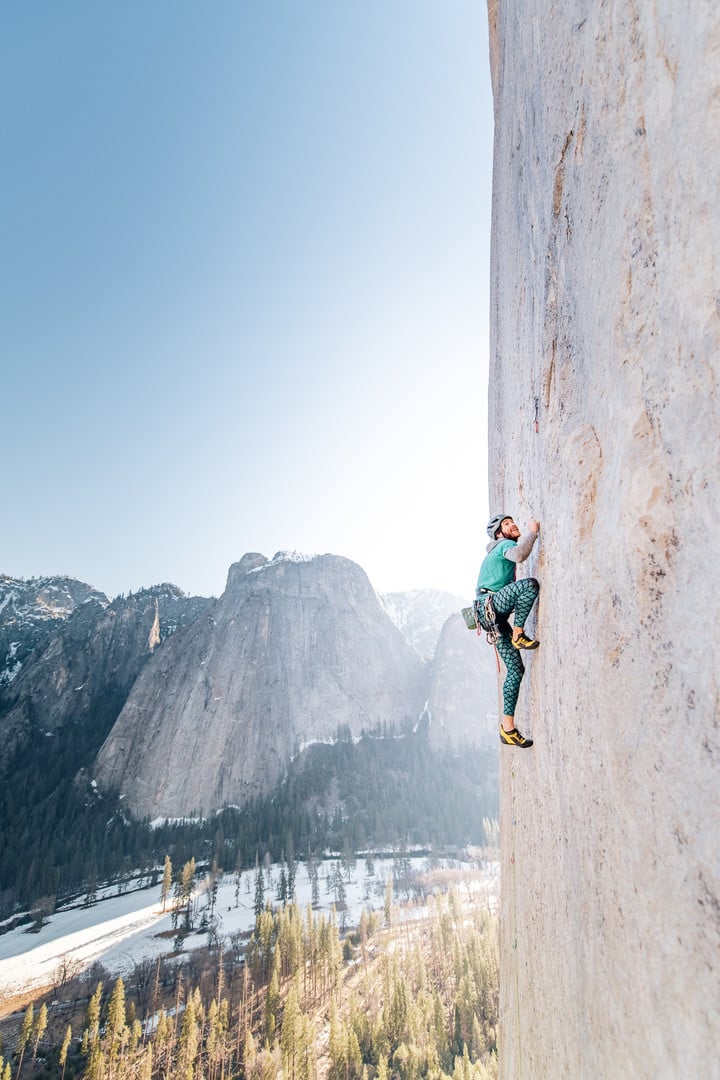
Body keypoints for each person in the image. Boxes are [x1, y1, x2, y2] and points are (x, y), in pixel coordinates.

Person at [476, 513, 540, 748]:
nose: (512, 524)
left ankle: (508, 729)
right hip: (491, 606)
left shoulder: (497, 549)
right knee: (529, 585)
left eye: (511, 521)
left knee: (515, 669)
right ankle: (519, 634)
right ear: (499, 534)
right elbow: (520, 555)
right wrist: (532, 532)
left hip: (490, 615)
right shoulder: (504, 545)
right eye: (506, 524)